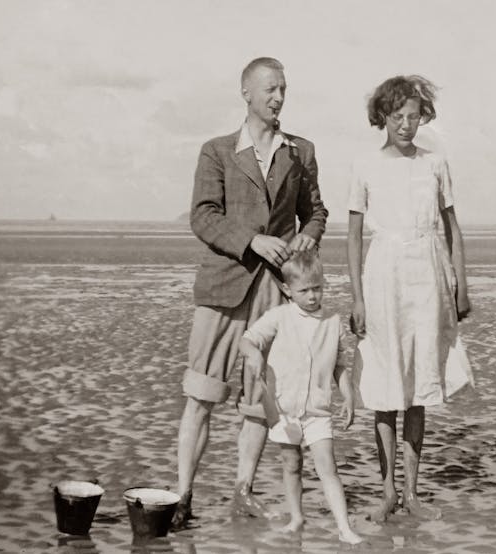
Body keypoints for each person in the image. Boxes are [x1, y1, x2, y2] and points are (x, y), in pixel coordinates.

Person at [173, 57, 328, 528]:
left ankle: (243, 493)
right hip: (222, 287)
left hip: (274, 293)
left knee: (260, 399)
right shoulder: (216, 151)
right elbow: (202, 215)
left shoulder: (301, 150)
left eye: (283, 89)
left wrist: (309, 236)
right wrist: (250, 241)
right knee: (201, 395)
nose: (278, 97)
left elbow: (316, 212)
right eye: (270, 90)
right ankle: (183, 498)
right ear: (246, 93)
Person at [347, 75, 472, 523]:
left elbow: (452, 226)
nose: (406, 125)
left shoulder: (435, 163)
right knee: (384, 386)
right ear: (382, 115)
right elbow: (355, 235)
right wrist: (357, 297)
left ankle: (413, 493)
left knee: (418, 387)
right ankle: (386, 492)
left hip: (428, 274)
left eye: (414, 117)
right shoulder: (365, 164)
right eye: (398, 116)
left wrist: (461, 283)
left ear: (424, 117)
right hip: (383, 276)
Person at [238, 250, 364, 544]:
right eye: (304, 290)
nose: (311, 296)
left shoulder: (332, 322)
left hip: (318, 410)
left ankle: (344, 527)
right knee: (291, 464)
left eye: (317, 288)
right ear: (287, 290)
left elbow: (339, 365)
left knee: (328, 468)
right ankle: (297, 517)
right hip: (283, 407)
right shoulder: (279, 316)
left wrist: (348, 396)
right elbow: (247, 340)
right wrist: (254, 354)